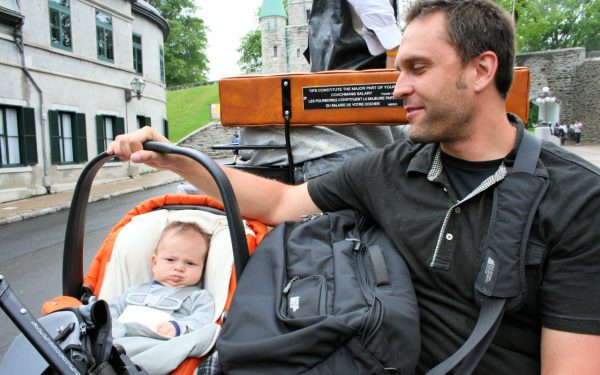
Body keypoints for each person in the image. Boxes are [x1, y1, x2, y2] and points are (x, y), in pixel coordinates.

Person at [109, 0, 600, 373]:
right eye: (399, 67)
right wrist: (176, 159)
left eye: (418, 69)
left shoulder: (576, 199)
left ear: (481, 69)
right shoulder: (394, 165)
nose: (397, 86)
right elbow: (280, 201)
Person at [238, 0, 406, 182]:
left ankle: (355, 172)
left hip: (355, 102)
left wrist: (391, 93)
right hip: (337, 100)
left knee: (255, 130)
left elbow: (390, 40)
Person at [109, 221, 216, 373]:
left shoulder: (198, 296)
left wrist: (177, 327)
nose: (179, 267)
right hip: (122, 338)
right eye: (170, 260)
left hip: (156, 345)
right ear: (154, 263)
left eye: (190, 263)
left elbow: (202, 318)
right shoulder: (134, 291)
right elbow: (112, 312)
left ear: (202, 269)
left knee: (210, 331)